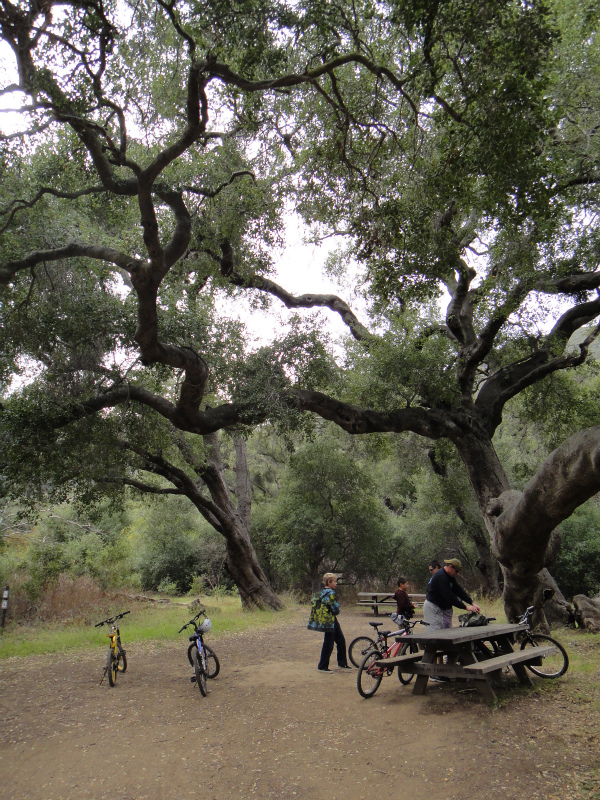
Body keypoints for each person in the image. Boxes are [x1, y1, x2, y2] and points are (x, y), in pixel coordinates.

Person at [307, 573, 352, 673]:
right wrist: (335, 611)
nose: (336, 583)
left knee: (340, 640)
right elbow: (335, 608)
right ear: (329, 582)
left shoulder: (320, 592)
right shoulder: (331, 593)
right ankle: (322, 666)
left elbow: (313, 603)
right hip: (329, 621)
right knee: (329, 643)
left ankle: (342, 663)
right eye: (334, 581)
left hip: (329, 620)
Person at [424, 558, 481, 631]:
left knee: (442, 633)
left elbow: (458, 590)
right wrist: (465, 607)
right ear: (450, 567)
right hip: (432, 607)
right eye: (456, 571)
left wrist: (472, 603)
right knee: (434, 633)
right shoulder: (441, 576)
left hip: (440, 608)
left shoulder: (449, 576)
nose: (456, 574)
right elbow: (449, 597)